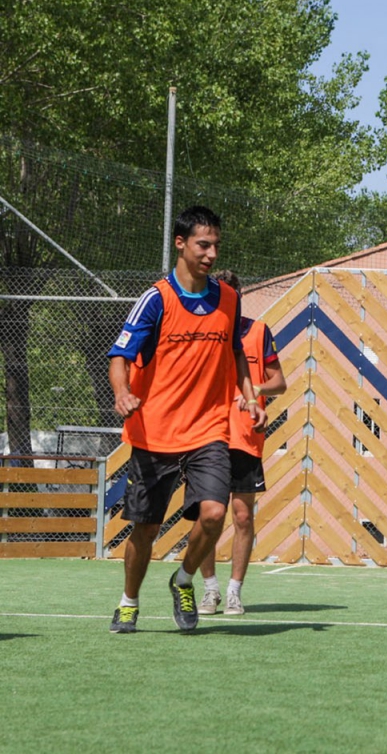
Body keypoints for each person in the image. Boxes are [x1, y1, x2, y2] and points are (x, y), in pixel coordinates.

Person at [107, 206, 265, 634]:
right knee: (145, 530)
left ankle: (184, 579)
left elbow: (236, 352)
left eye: (216, 245)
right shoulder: (155, 299)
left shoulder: (228, 299)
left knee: (215, 515)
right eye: (203, 244)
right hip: (153, 431)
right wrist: (123, 393)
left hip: (208, 429)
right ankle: (128, 601)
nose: (212, 253)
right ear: (180, 244)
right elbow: (120, 355)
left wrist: (249, 396)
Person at [197, 270, 287, 616]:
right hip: (207, 434)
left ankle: (234, 591)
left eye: (230, 294)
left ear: (239, 296)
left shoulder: (259, 331)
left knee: (243, 516)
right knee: (208, 517)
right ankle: (209, 590)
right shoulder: (203, 333)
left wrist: (253, 392)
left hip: (246, 436)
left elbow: (279, 382)